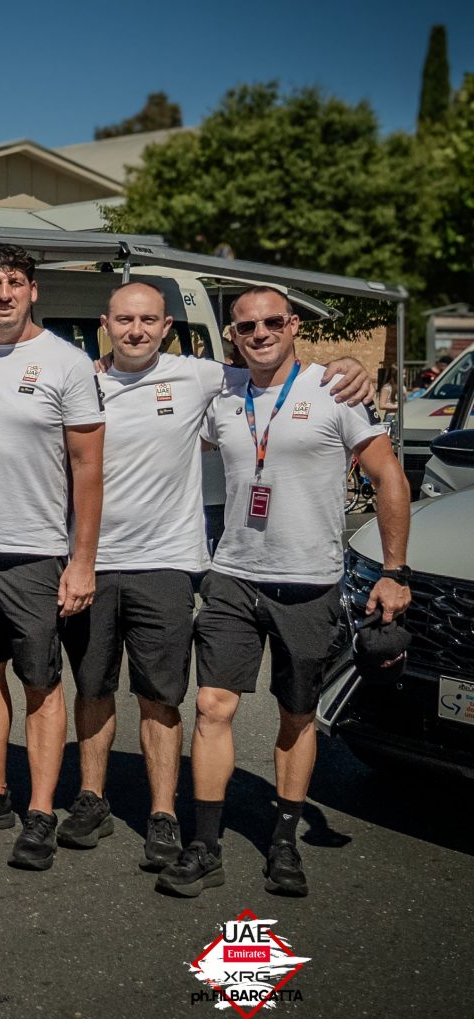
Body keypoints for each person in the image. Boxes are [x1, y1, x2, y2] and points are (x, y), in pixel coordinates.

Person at [62, 282, 373, 872]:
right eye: (124, 319)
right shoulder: (77, 378)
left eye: (148, 320)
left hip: (170, 562)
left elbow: (277, 371)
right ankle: (91, 798)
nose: (136, 330)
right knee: (93, 687)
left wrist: (346, 366)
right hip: (91, 562)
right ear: (106, 323)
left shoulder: (202, 377)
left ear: (167, 328)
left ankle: (162, 814)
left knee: (161, 695)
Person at [158, 287, 411, 899]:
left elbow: (389, 477)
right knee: (212, 707)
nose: (261, 333)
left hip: (309, 582)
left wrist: (394, 571)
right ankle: (206, 845)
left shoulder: (332, 389)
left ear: (294, 324)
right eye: (247, 326)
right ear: (233, 334)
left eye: (273, 322)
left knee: (297, 716)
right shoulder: (222, 396)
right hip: (233, 577)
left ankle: (284, 842)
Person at [0, 243, 105, 872]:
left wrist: (81, 560)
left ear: (34, 290)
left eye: (14, 282)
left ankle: (40, 810)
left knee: (41, 682)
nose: (2, 293)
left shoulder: (67, 362)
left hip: (37, 553)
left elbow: (89, 469)